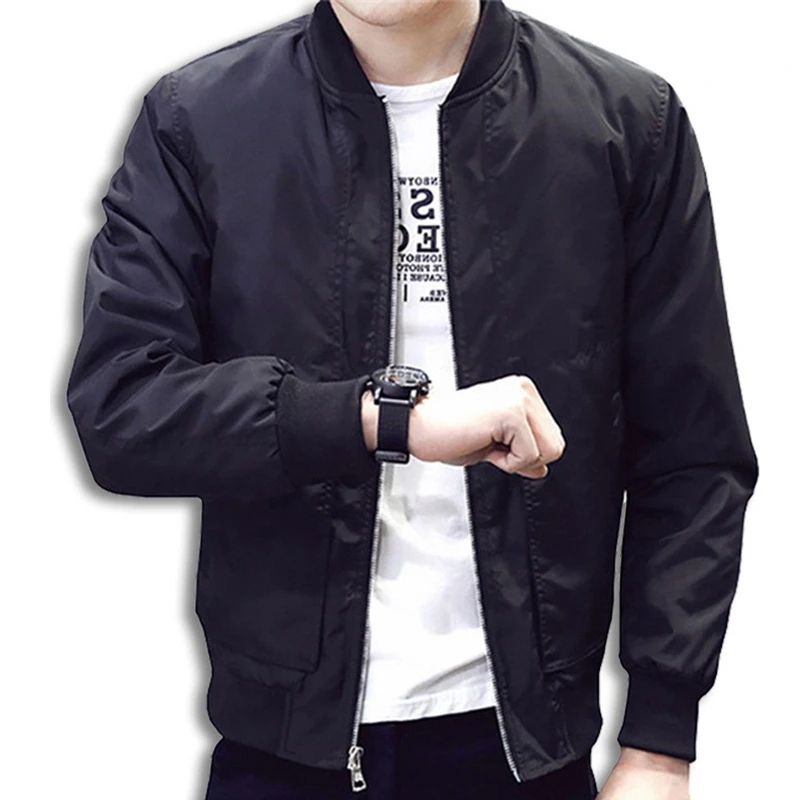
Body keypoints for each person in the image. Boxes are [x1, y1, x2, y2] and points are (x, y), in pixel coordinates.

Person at [64, 0, 759, 797]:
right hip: (282, 753)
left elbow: (694, 452)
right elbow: (123, 407)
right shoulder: (201, 119)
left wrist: (660, 743)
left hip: (522, 749)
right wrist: (383, 422)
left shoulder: (626, 124)